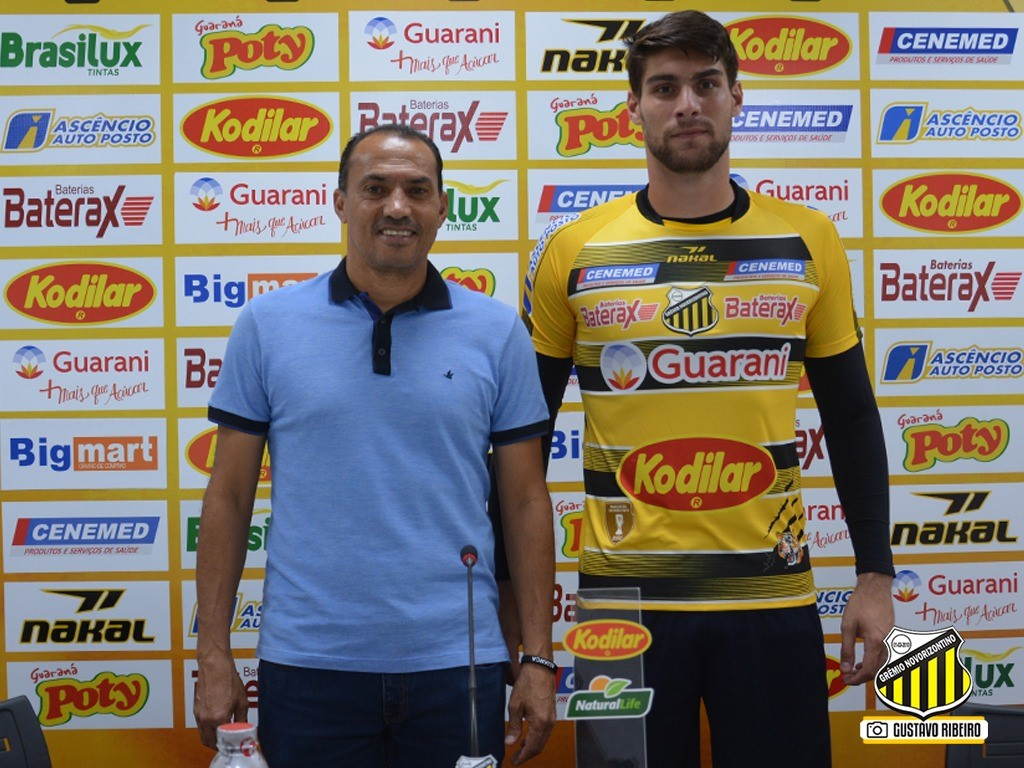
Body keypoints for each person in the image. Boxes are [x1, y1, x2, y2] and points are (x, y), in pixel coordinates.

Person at [522, 11, 895, 767]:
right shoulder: (573, 249)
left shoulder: (808, 238)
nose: (686, 103)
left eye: (705, 84)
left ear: (736, 98)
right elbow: (520, 445)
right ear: (634, 110)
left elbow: (852, 417)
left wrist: (876, 575)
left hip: (772, 597)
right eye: (664, 88)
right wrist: (524, 624)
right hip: (620, 607)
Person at [193, 124, 557, 768]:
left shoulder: (498, 332)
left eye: (418, 190)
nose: (397, 206)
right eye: (375, 188)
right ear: (338, 202)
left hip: (459, 664)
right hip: (308, 665)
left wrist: (536, 656)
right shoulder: (266, 326)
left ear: (443, 207)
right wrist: (214, 652)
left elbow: (527, 501)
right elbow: (226, 495)